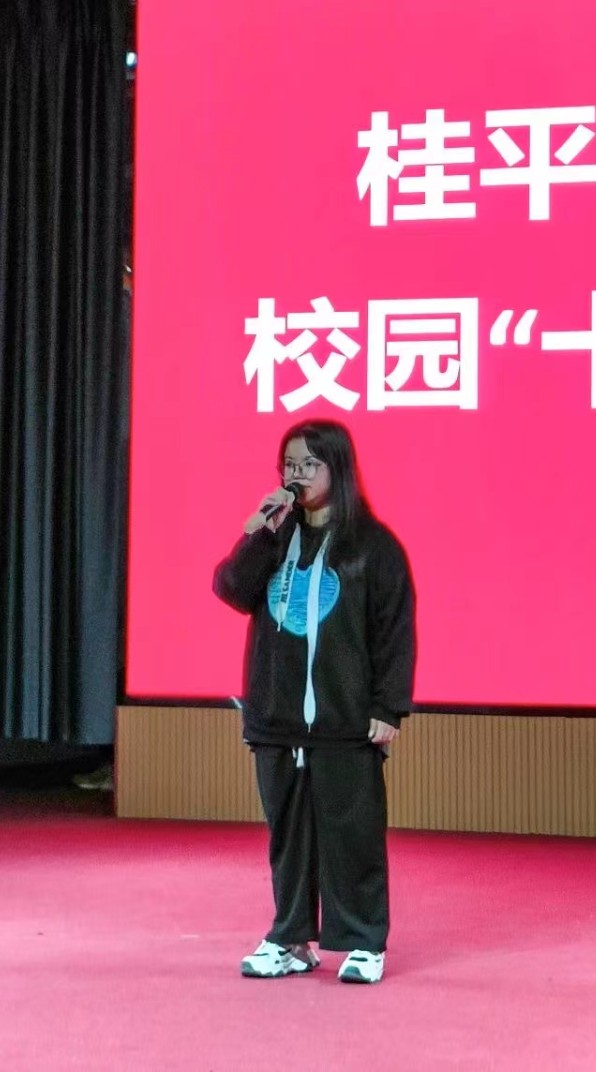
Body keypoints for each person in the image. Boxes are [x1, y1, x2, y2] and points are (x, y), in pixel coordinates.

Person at [213, 418, 416, 985]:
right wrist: (258, 533)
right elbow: (231, 589)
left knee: (354, 835)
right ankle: (291, 938)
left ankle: (363, 941)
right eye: (289, 464)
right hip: (276, 718)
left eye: (308, 464)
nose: (296, 475)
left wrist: (387, 707)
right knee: (288, 837)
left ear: (337, 469)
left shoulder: (372, 545)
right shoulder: (277, 537)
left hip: (344, 719)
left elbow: (394, 632)